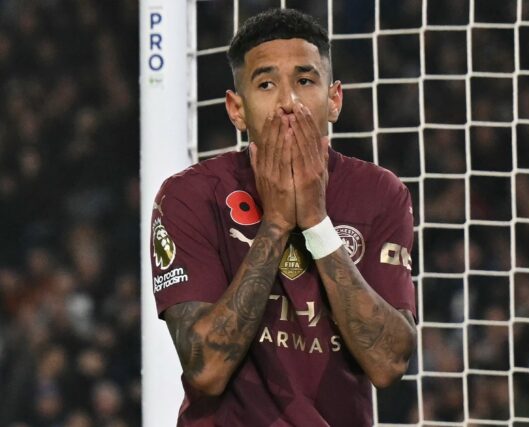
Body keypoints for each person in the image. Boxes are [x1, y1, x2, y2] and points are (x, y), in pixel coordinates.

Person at [150, 8, 417, 426]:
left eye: (305, 81)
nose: (288, 103)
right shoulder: (190, 196)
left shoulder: (379, 194)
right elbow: (206, 370)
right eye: (266, 84)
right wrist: (275, 225)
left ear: (334, 100)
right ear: (237, 109)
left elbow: (388, 363)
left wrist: (316, 224)